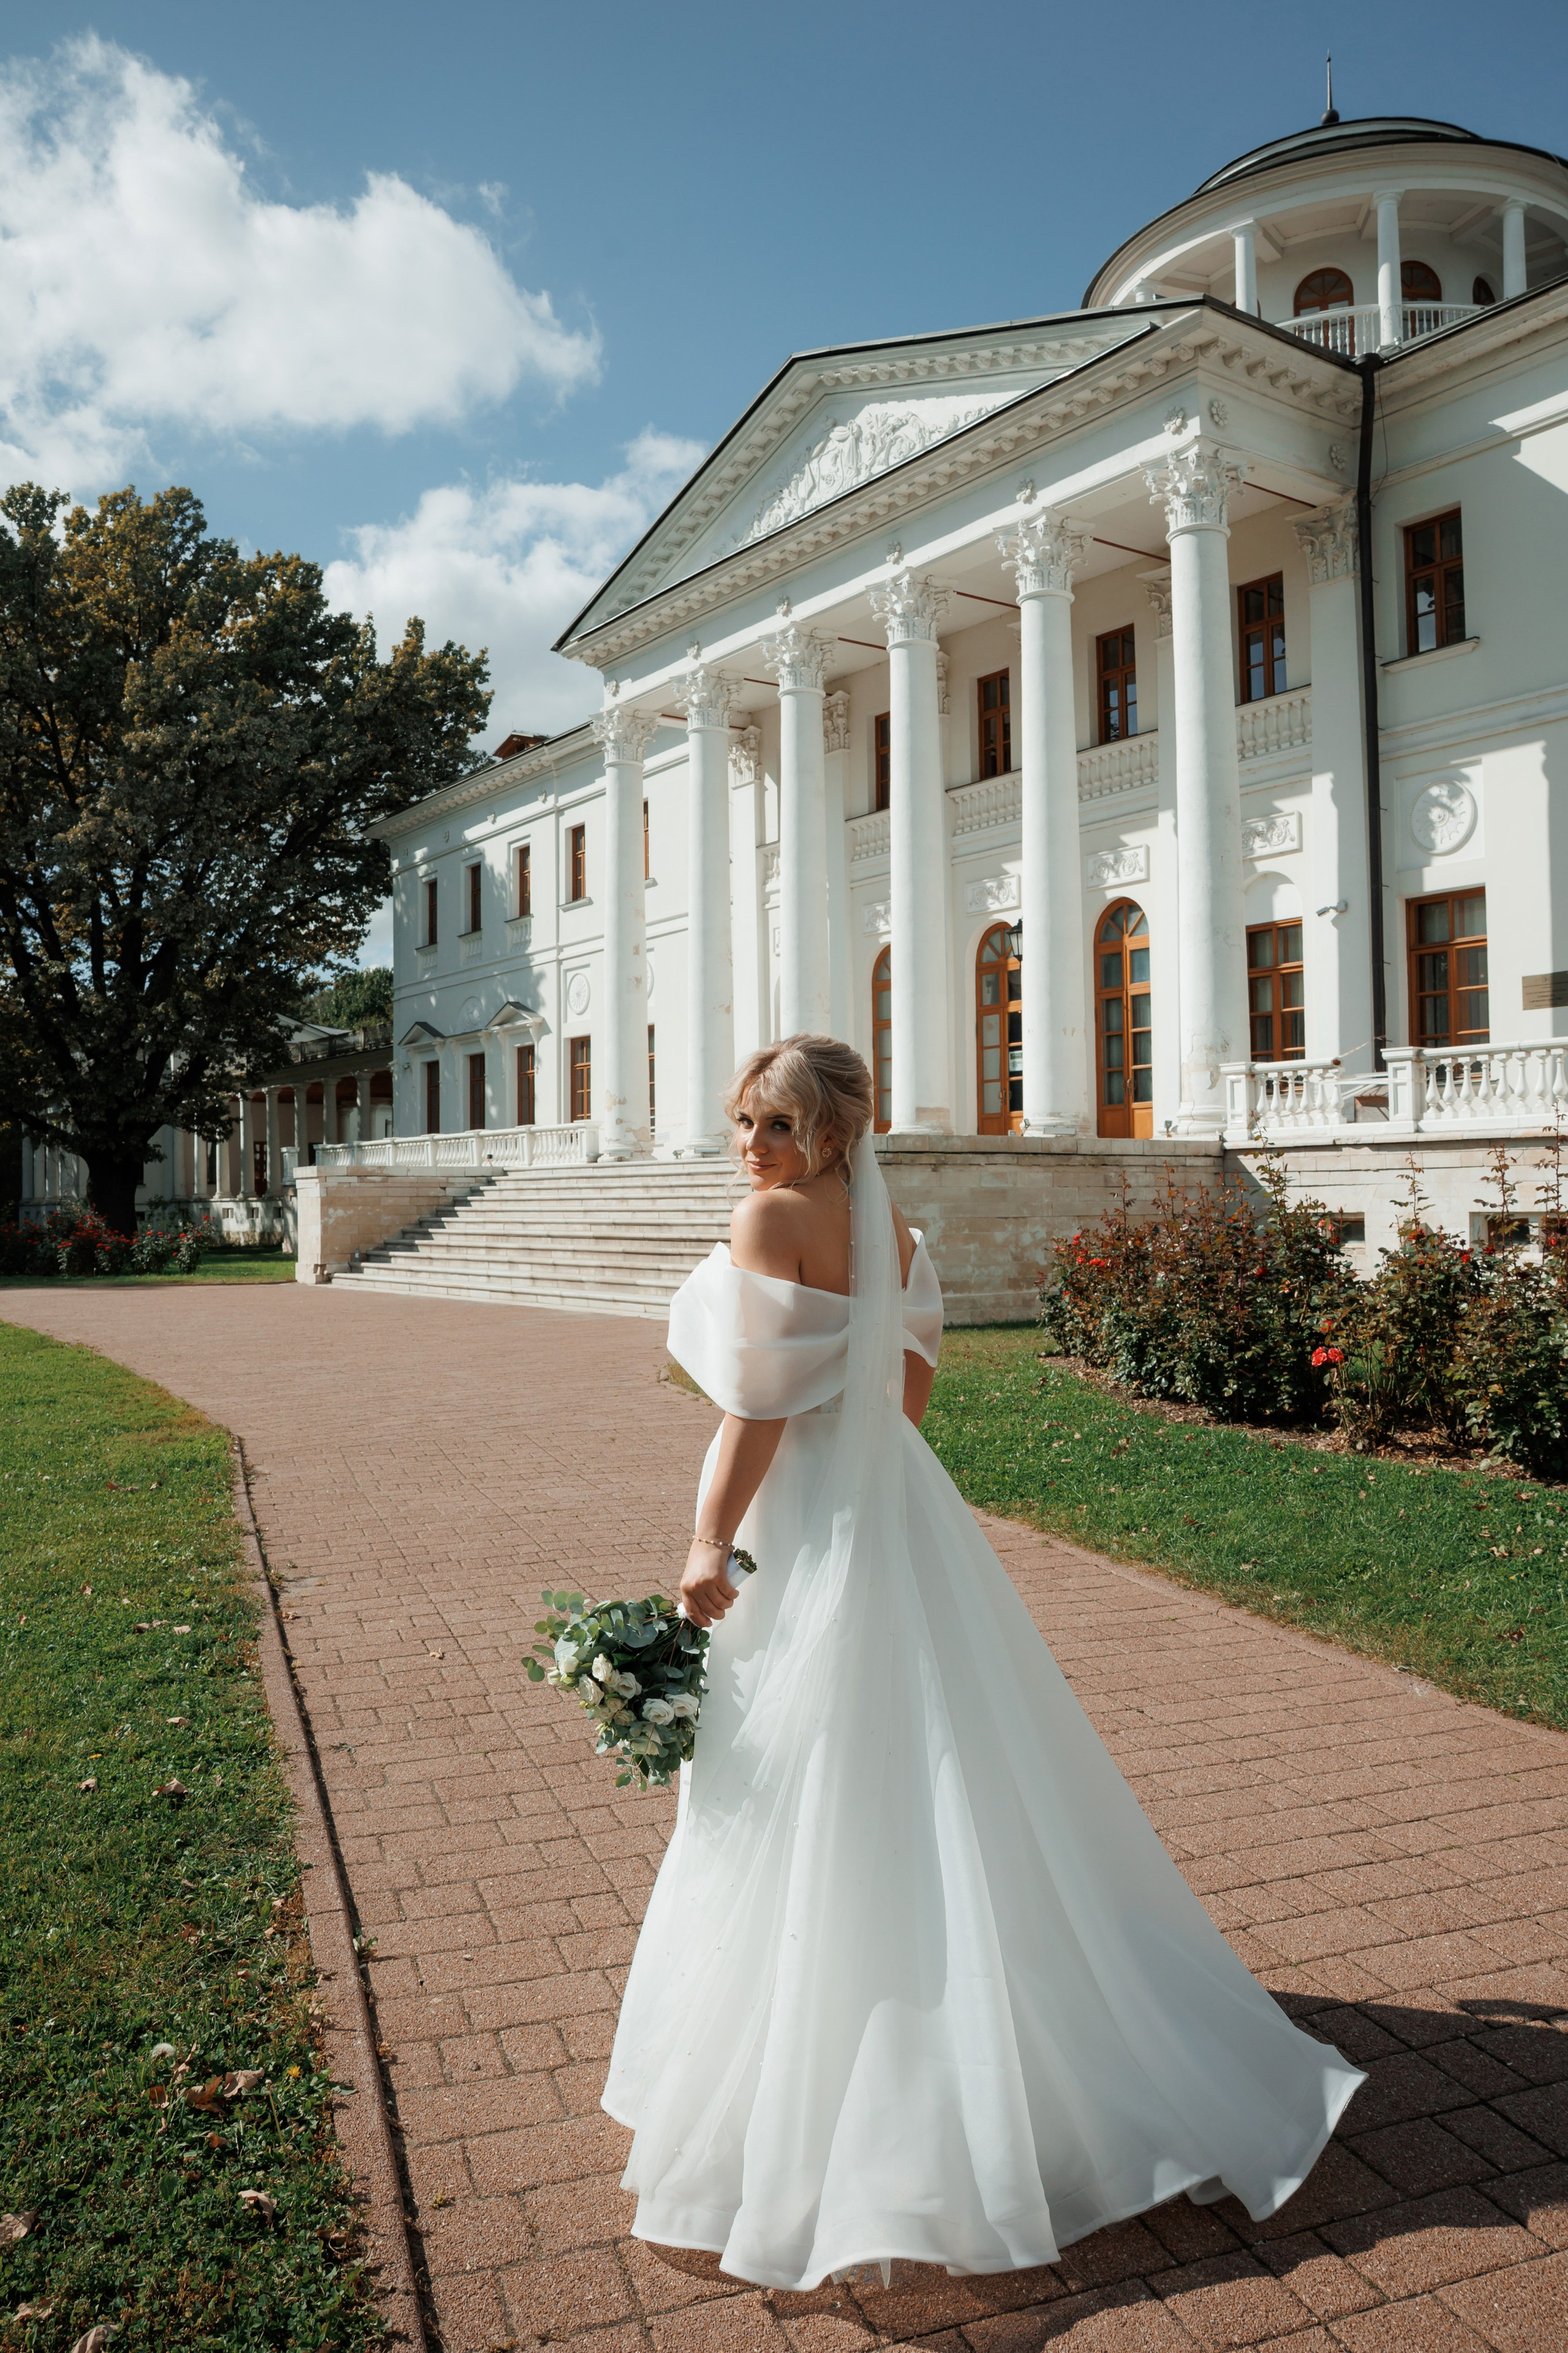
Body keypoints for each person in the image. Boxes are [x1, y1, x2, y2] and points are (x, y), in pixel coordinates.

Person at [603, 1033, 1363, 2292]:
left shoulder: (769, 1224)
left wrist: (704, 1540)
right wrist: (851, 1462)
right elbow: (902, 1400)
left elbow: (753, 1410)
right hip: (898, 1511)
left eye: (777, 1125)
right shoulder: (894, 1235)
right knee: (937, 1748)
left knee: (807, 1760)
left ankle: (826, 2050)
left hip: (805, 1518)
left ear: (830, 1133)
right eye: (744, 1123)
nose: (752, 1148)